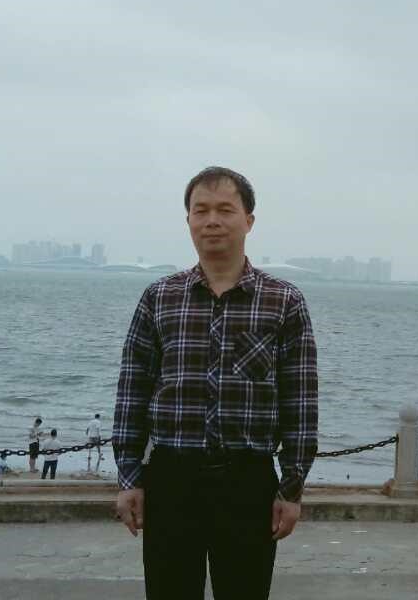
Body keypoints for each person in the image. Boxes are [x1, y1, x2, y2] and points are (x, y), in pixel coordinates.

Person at [113, 166, 318, 600]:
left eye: (225, 210)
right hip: (171, 479)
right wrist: (129, 477)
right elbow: (133, 391)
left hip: (247, 482)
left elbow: (299, 401)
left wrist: (292, 487)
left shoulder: (283, 301)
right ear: (188, 219)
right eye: (200, 210)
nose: (212, 221)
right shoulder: (159, 297)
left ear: (249, 220)